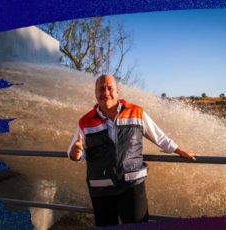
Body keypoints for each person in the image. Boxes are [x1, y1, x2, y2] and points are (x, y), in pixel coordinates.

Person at [68, 74, 196, 226]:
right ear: (96, 93)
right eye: (101, 89)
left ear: (117, 91)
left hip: (132, 185)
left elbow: (158, 136)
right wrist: (75, 153)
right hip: (101, 189)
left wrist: (179, 150)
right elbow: (75, 152)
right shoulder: (85, 121)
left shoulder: (136, 112)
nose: (106, 93)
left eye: (110, 88)